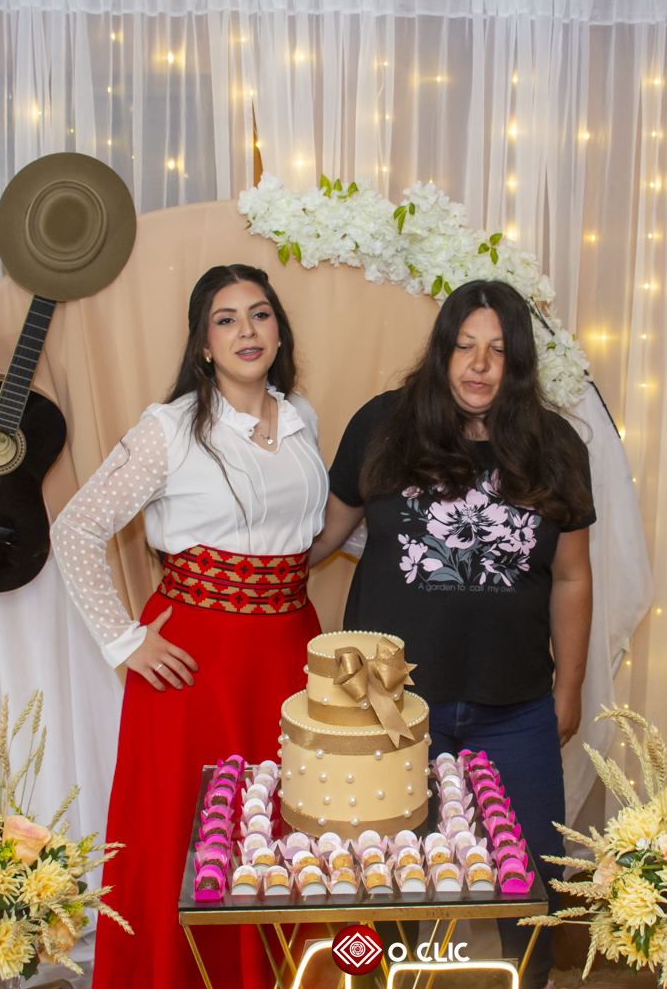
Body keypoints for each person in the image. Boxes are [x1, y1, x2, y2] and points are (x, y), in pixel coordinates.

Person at [309, 279, 594, 988]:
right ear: (442, 351)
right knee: (384, 881)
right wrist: (225, 561)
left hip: (516, 709)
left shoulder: (556, 446)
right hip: (387, 710)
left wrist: (569, 687)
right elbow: (320, 539)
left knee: (534, 888)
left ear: (518, 362)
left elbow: (571, 576)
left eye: (498, 350)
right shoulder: (383, 425)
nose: (479, 365)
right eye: (465, 346)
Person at [52, 264, 327, 989]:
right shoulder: (169, 429)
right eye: (225, 320)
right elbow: (76, 528)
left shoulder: (301, 417)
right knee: (195, 831)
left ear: (279, 331)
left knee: (287, 827)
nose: (246, 331)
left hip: (290, 652)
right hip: (197, 662)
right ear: (203, 344)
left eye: (260, 314)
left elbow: (308, 527)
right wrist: (125, 640)